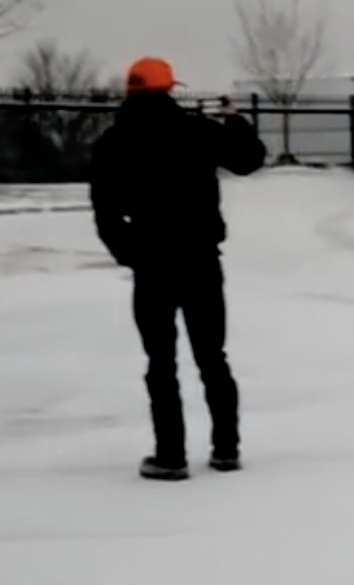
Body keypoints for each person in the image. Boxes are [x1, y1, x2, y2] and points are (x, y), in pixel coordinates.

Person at [89, 57, 266, 481]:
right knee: (212, 357)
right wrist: (236, 121)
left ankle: (170, 455)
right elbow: (248, 160)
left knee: (160, 361)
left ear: (130, 91)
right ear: (168, 89)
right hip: (200, 259)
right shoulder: (198, 132)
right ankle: (226, 449)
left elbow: (105, 211)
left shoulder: (112, 142)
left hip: (151, 262)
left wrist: (129, 251)